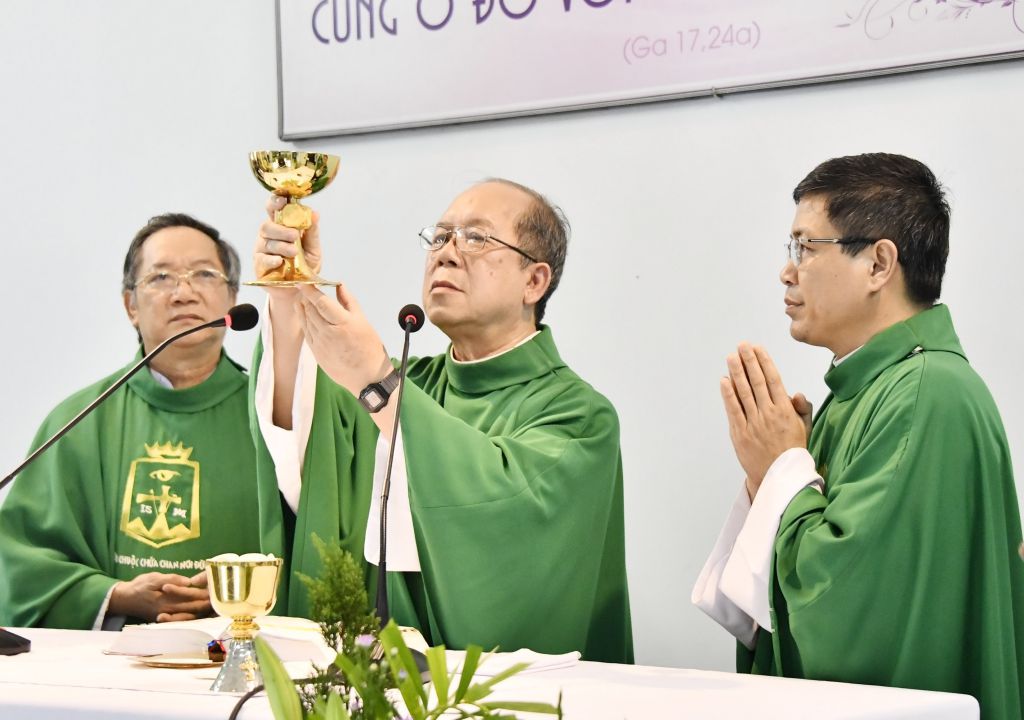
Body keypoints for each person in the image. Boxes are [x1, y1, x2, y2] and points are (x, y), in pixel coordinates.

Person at [692, 153, 1023, 719]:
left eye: (805, 247)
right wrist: (768, 478)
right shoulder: (863, 390)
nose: (787, 271)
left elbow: (846, 609)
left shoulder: (925, 394)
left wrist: (782, 470)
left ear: (878, 264)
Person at [252, 179, 633, 662]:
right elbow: (313, 447)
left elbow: (505, 524)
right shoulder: (409, 386)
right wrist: (290, 291)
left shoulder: (579, 416)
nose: (446, 254)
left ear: (534, 282)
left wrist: (377, 379)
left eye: (476, 238)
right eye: (439, 237)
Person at [0, 214, 262, 630]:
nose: (184, 293)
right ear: (131, 306)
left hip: (245, 655)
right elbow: (19, 561)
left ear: (232, 298)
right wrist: (117, 595)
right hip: (107, 659)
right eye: (161, 277)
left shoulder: (273, 421)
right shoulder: (78, 422)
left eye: (204, 274)